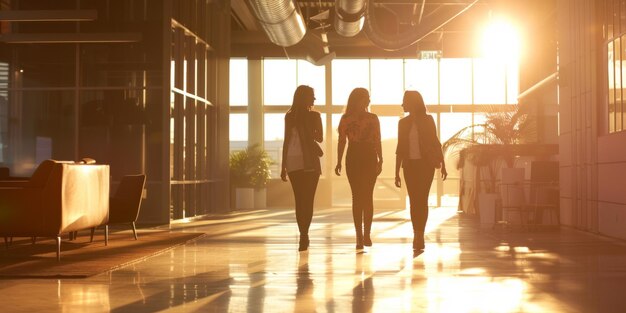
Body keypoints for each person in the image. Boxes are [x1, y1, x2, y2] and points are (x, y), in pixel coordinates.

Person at [394, 90, 448, 251]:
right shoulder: (402, 123)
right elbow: (400, 149)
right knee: (413, 200)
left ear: (413, 102)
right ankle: (416, 233)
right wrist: (396, 172)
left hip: (425, 166)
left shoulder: (428, 120)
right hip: (409, 166)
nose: (402, 104)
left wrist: (443, 164)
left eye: (405, 100)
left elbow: (435, 142)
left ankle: (420, 235)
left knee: (422, 200)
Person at [335, 88, 382, 249]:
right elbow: (342, 141)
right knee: (359, 197)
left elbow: (377, 140)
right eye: (366, 98)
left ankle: (365, 234)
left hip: (367, 156)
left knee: (366, 196)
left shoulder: (371, 118)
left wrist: (380, 159)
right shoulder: (347, 119)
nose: (369, 101)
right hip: (355, 156)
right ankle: (360, 236)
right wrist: (338, 161)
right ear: (358, 100)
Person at [281, 85, 323, 252]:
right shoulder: (292, 116)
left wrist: (307, 129)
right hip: (299, 162)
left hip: (302, 162)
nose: (314, 99)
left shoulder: (310, 116)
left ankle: (304, 234)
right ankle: (304, 234)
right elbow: (286, 140)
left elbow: (318, 137)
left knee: (304, 200)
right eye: (312, 96)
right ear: (304, 97)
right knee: (303, 200)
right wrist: (283, 165)